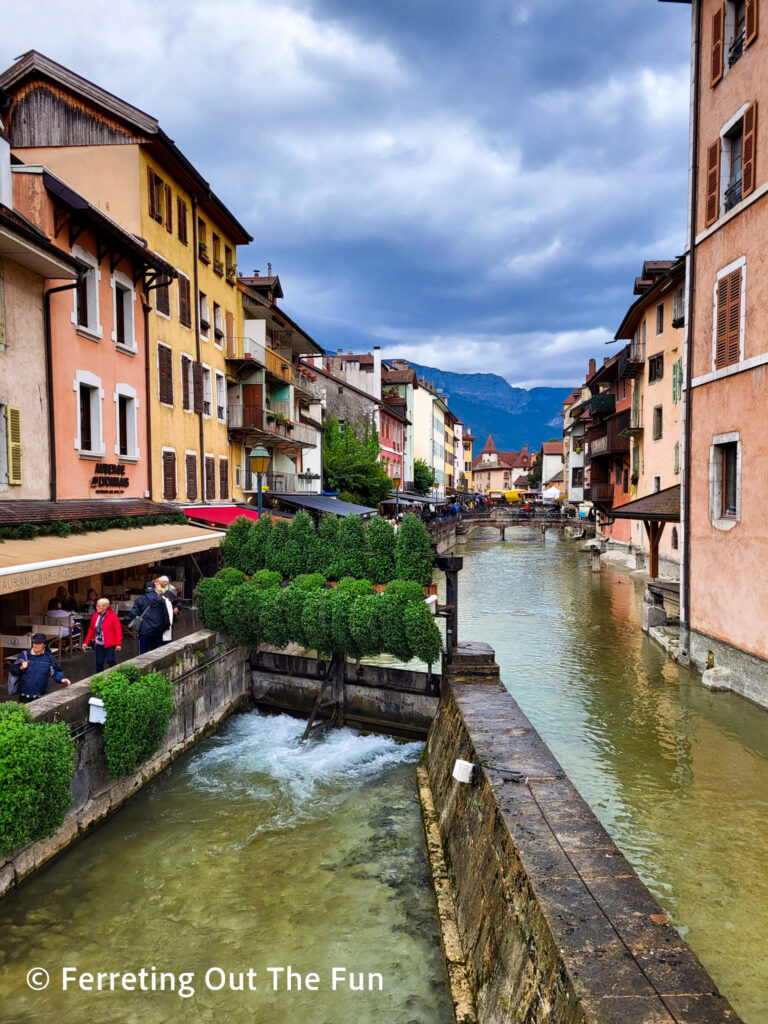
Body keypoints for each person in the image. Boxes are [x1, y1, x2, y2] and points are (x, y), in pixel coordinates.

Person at [11, 633, 72, 703]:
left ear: (44, 645)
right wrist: (21, 667)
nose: (36, 645)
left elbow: (55, 671)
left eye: (39, 643)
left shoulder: (49, 658)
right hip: (24, 695)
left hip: (40, 695)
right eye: (34, 643)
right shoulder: (25, 656)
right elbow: (13, 670)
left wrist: (62, 678)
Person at [129, 581, 172, 655]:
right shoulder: (161, 599)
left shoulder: (140, 599)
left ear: (145, 589)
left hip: (144, 630)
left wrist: (127, 621)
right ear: (154, 588)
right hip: (158, 629)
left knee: (143, 655)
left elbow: (133, 613)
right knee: (157, 654)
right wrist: (165, 627)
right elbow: (165, 616)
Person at [82, 598, 123, 672]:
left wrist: (118, 643)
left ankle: (115, 674)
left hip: (110, 643)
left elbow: (118, 630)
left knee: (110, 660)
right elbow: (91, 630)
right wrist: (86, 642)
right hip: (99, 643)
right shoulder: (95, 616)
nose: (96, 607)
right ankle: (99, 679)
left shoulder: (113, 616)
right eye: (96, 606)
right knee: (99, 662)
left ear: (105, 607)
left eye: (99, 606)